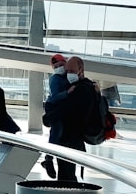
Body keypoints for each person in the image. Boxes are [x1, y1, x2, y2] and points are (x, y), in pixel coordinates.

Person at [42, 55, 99, 183]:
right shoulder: (85, 85)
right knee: (67, 175)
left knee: (66, 178)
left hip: (70, 139)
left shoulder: (81, 89)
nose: (68, 74)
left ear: (81, 70)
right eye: (67, 71)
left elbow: (65, 109)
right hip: (73, 138)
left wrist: (47, 118)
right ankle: (49, 159)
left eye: (71, 71)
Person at [40, 52, 68, 179]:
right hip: (53, 107)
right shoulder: (55, 79)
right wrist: (68, 92)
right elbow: (55, 96)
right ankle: (48, 158)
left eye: (61, 65)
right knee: (57, 130)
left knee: (59, 132)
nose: (59, 68)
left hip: (61, 108)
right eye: (56, 67)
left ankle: (49, 158)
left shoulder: (69, 76)